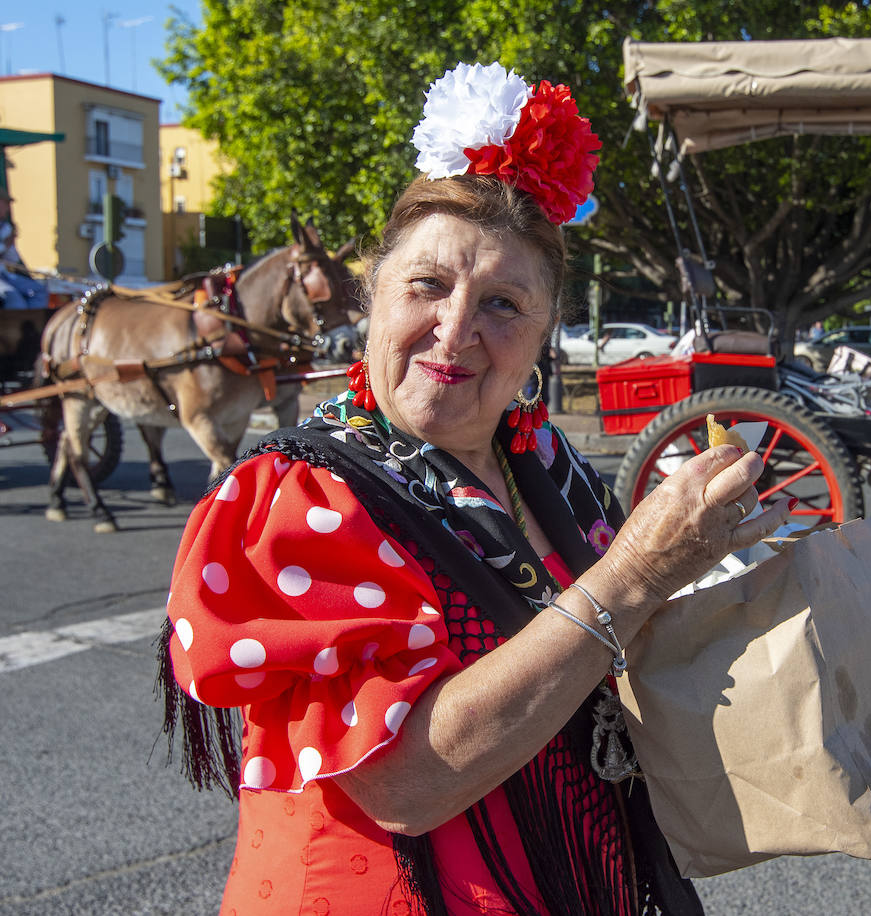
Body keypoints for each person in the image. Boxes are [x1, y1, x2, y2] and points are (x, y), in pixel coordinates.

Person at [159, 61, 792, 916]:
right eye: (426, 285)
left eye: (503, 304)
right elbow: (405, 784)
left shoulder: (544, 460)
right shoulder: (302, 494)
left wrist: (707, 571)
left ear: (543, 334)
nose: (455, 332)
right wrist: (636, 573)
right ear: (372, 293)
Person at [0, 183, 48, 310]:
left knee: (38, 291)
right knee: (13, 297)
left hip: (1, 274)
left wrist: (11, 245)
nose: (7, 209)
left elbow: (12, 260)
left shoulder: (4, 227)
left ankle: (35, 327)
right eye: (5, 204)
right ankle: (15, 329)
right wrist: (2, 246)